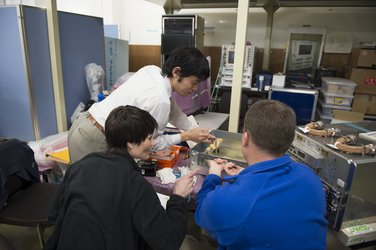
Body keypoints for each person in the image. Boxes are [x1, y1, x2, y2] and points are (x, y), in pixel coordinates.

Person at [44, 105, 198, 250]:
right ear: (130, 143)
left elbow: (54, 215)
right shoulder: (135, 184)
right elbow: (168, 243)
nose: (152, 143)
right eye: (149, 138)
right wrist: (177, 197)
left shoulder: (79, 167)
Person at [194, 100, 327, 250]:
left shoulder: (228, 202)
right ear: (289, 141)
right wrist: (245, 175)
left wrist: (213, 175)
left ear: (245, 138)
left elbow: (201, 212)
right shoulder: (311, 179)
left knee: (188, 242)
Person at [68, 47, 215, 163]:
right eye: (194, 82)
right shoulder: (159, 99)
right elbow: (152, 144)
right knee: (91, 195)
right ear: (177, 72)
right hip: (94, 137)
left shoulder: (153, 71)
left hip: (84, 123)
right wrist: (187, 135)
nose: (195, 89)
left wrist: (193, 129)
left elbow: (173, 110)